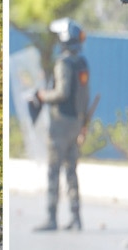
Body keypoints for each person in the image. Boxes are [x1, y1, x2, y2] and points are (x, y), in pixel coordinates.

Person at [33, 18, 90, 232]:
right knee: (72, 171)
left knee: (54, 170)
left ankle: (51, 217)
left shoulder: (64, 63)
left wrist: (42, 95)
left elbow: (62, 93)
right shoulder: (82, 63)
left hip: (60, 124)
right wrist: (83, 123)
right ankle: (76, 218)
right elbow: (84, 95)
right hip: (75, 122)